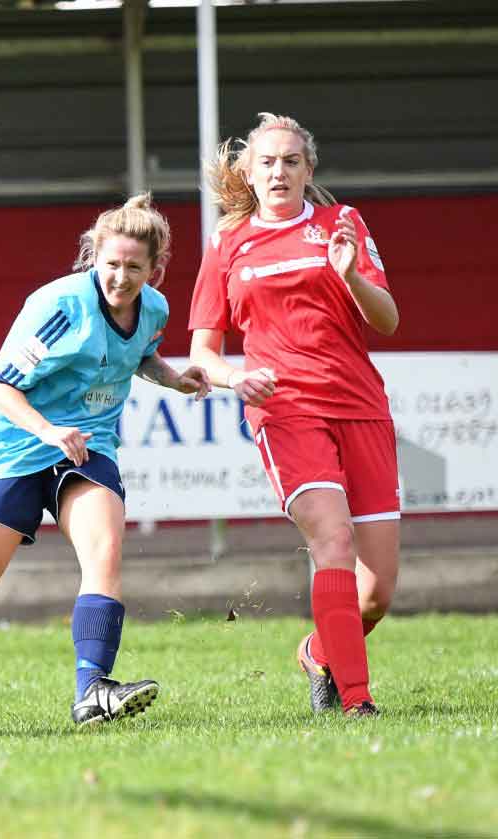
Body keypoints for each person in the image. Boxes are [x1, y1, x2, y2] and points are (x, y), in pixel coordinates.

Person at [0, 193, 210, 726]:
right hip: (15, 445)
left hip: (87, 449)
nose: (121, 277)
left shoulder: (154, 309)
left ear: (154, 269)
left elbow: (141, 356)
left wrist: (173, 379)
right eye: (111, 264)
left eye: (135, 268)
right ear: (94, 257)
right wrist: (47, 429)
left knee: (104, 551)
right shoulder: (59, 307)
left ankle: (92, 691)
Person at [188, 113, 400, 717]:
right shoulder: (227, 243)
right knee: (332, 537)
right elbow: (204, 351)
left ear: (309, 170)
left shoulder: (343, 224)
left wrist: (351, 275)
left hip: (361, 408)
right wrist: (236, 377)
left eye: (290, 161)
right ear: (248, 175)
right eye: (266, 162)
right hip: (285, 410)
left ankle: (318, 649)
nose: (278, 171)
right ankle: (356, 701)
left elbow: (386, 319)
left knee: (377, 593)